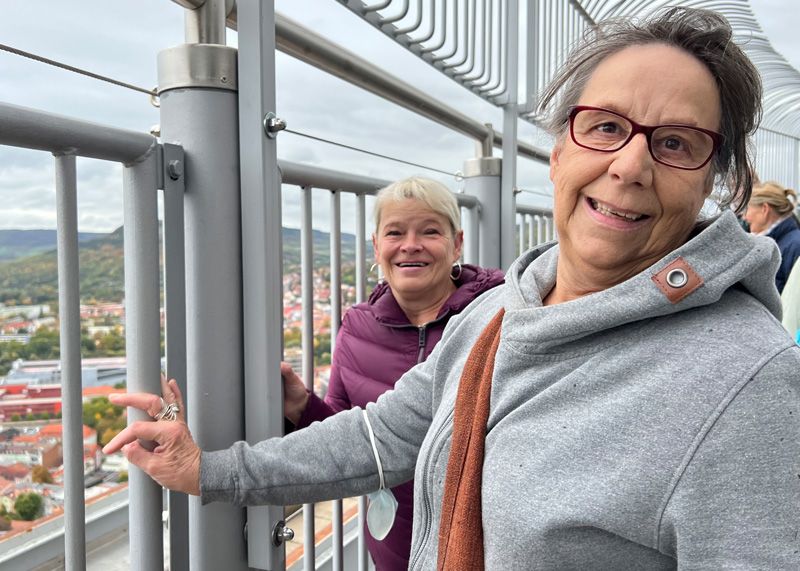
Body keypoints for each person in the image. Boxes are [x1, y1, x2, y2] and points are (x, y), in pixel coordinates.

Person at [104, 7, 800, 569]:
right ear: (560, 151)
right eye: (606, 127)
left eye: (675, 142)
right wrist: (208, 469)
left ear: (713, 182)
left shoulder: (747, 385)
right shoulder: (499, 313)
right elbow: (381, 435)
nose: (630, 164)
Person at [281, 176, 505, 570]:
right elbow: (350, 431)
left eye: (430, 231)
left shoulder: (498, 316)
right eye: (395, 232)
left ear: (456, 244)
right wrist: (302, 406)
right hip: (396, 549)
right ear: (376, 247)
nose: (410, 244)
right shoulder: (356, 326)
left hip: (487, 546)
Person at [743, 181, 800, 292]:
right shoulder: (776, 243)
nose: (744, 217)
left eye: (747, 209)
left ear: (764, 209)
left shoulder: (795, 246)